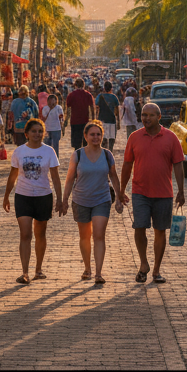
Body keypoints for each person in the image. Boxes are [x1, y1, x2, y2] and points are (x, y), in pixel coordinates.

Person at [119, 102, 185, 284]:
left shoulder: (171, 138)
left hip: (164, 193)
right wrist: (121, 190)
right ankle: (143, 264)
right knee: (139, 227)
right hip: (140, 191)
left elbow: (178, 165)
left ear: (159, 117)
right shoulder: (134, 137)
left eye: (150, 115)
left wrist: (181, 191)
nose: (146, 118)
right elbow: (127, 165)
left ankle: (156, 270)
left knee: (160, 231)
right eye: (143, 115)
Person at [60, 120, 122, 284]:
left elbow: (114, 176)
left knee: (99, 235)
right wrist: (64, 200)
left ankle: (98, 273)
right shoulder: (78, 155)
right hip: (80, 200)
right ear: (86, 136)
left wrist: (119, 197)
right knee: (85, 236)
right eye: (92, 134)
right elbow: (69, 179)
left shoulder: (107, 155)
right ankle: (87, 268)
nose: (96, 137)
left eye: (98, 134)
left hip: (102, 199)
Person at [3, 118, 62, 284]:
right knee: (25, 234)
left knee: (40, 233)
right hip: (23, 196)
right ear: (26, 134)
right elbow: (13, 175)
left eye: (40, 131)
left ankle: (39, 269)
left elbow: (56, 178)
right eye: (34, 131)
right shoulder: (19, 152)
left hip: (44, 196)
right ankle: (24, 272)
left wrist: (60, 199)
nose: (37, 134)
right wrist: (6, 195)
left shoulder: (49, 151)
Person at [64, 77, 96, 151]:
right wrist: (94, 119)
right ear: (84, 85)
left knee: (76, 144)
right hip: (85, 121)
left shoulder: (71, 95)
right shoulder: (88, 94)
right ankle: (84, 158)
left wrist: (66, 120)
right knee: (85, 143)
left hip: (74, 122)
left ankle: (77, 157)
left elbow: (68, 110)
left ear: (75, 85)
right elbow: (92, 108)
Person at [96, 81, 120, 151]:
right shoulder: (114, 97)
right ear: (111, 88)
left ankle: (104, 152)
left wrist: (96, 120)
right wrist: (118, 122)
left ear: (104, 88)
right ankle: (110, 151)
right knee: (112, 138)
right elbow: (117, 111)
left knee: (103, 138)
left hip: (102, 119)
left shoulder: (100, 96)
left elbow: (97, 108)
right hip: (112, 120)